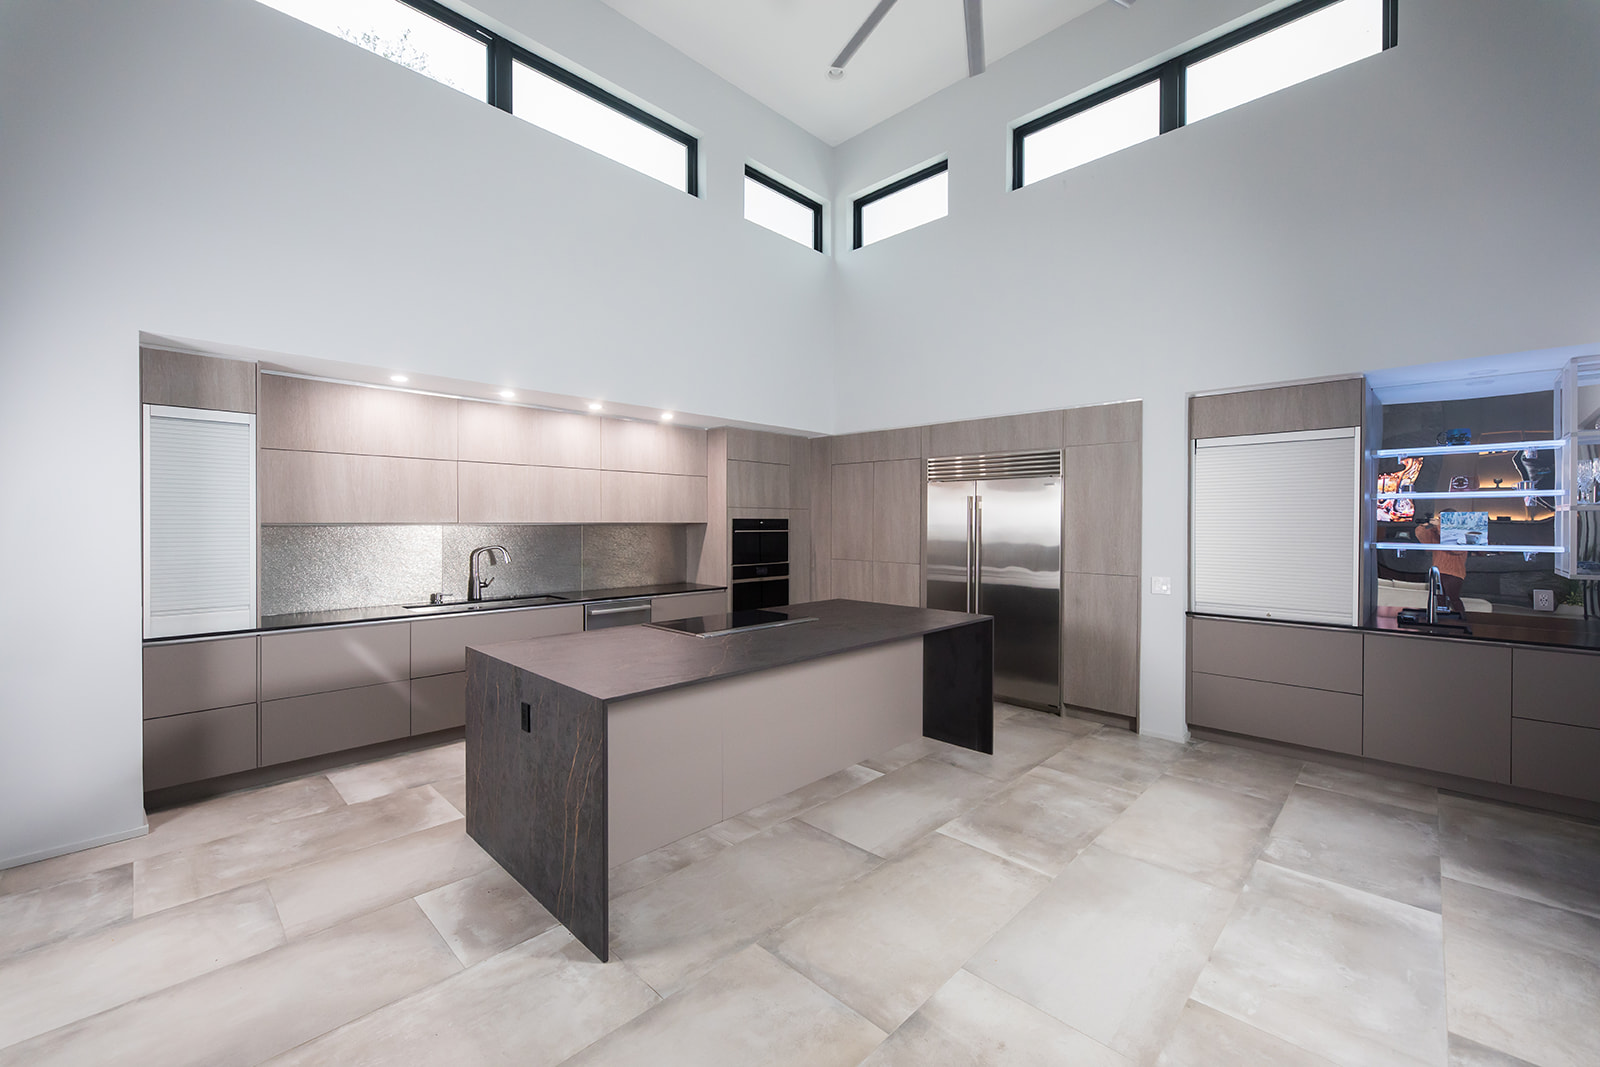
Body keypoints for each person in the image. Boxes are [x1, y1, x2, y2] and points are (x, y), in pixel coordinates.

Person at [1414, 511, 1467, 614]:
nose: (1439, 521)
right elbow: (1426, 544)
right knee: (1439, 600)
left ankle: (1463, 620)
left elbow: (1455, 549)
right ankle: (1441, 620)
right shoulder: (1436, 532)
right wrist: (1422, 527)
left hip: (1453, 573)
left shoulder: (1460, 533)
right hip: (1438, 571)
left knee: (1453, 598)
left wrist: (1441, 527)